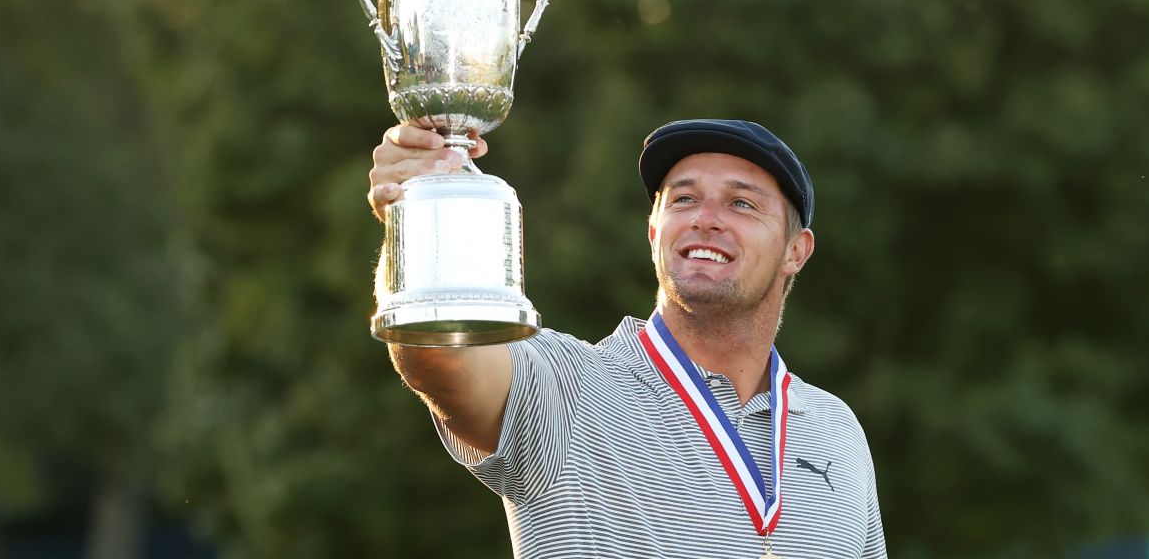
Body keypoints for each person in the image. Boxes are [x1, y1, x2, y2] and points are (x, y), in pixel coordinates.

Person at [368, 119, 888, 559]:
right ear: (654, 230)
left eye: (742, 204)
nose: (705, 219)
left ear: (796, 250)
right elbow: (437, 354)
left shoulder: (836, 432)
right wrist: (418, 210)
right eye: (683, 198)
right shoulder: (567, 388)